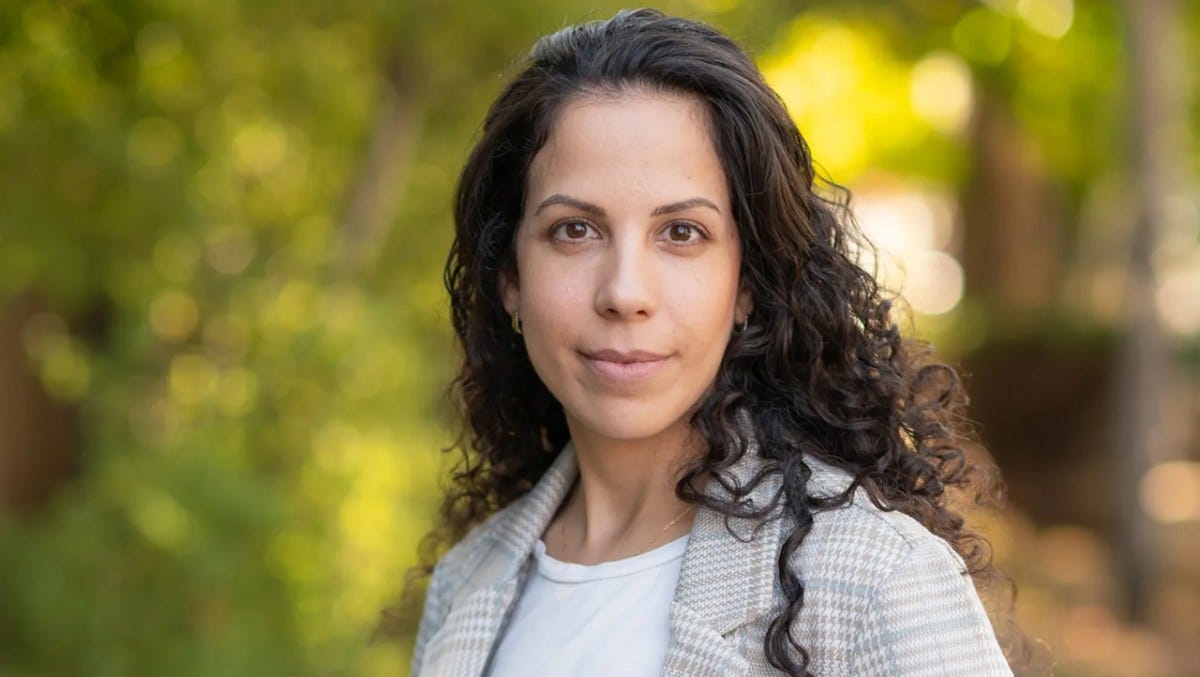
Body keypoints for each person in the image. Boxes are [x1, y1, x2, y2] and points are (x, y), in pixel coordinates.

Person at [405, 8, 1020, 676]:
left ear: (747, 282)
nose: (625, 291)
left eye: (682, 233)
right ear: (510, 275)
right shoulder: (466, 584)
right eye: (575, 230)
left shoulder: (874, 579)